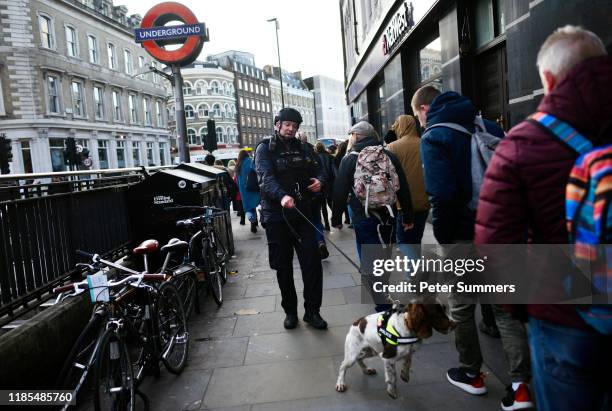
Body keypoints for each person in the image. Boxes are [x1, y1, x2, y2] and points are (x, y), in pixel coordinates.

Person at [476, 26, 612, 411]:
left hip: (562, 312)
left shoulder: (521, 143)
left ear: (549, 79)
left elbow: (497, 248)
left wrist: (526, 308)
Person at [415, 86, 533, 409]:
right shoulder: (489, 127)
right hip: (501, 231)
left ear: (425, 108)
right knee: (505, 309)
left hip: (463, 236)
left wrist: (443, 235)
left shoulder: (434, 136)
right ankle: (521, 387)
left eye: (417, 116)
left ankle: (472, 374)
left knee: (462, 307)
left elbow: (442, 195)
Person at [255, 107, 328, 330]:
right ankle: (290, 311)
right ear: (278, 124)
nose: (291, 129)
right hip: (277, 216)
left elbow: (322, 170)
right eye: (287, 125)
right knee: (283, 267)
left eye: (295, 126)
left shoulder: (305, 148)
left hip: (303, 213)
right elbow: (265, 178)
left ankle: (312, 311)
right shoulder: (264, 149)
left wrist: (320, 181)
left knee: (312, 264)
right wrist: (282, 196)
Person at [331, 121, 414, 312]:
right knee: (384, 255)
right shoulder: (388, 155)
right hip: (388, 214)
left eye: (352, 135)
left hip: (363, 215)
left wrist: (336, 219)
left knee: (369, 256)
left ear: (357, 136)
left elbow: (339, 192)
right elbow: (402, 187)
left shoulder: (349, 159)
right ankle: (381, 287)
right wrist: (407, 216)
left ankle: (382, 304)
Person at [386, 115, 429, 265]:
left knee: (403, 240)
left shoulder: (392, 147)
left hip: (402, 204)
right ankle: (416, 275)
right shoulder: (424, 142)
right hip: (423, 201)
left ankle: (416, 271)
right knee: (416, 239)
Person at [235, 149, 260, 233]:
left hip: (243, 190)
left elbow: (237, 180)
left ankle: (253, 222)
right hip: (252, 186)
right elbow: (257, 170)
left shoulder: (238, 165)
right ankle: (255, 222)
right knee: (254, 205)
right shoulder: (250, 161)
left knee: (248, 207)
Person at [314, 142, 335, 231]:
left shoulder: (315, 158)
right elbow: (334, 171)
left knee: (322, 206)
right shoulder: (330, 157)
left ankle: (326, 225)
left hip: (320, 185)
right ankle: (335, 218)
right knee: (330, 203)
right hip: (329, 184)